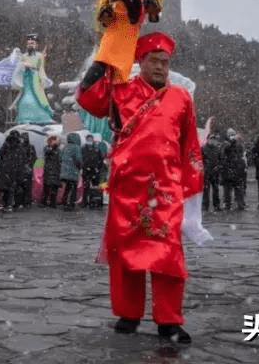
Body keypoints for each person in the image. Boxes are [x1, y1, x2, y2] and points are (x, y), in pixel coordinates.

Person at [76, 31, 202, 342]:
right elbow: (88, 98)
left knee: (168, 257)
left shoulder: (181, 97)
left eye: (166, 62)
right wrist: (105, 56)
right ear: (140, 62)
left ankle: (169, 320)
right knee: (125, 255)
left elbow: (190, 146)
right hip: (127, 187)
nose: (161, 66)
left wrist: (192, 189)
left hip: (167, 189)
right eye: (155, 61)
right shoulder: (121, 92)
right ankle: (128, 314)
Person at [10, 35, 55, 123]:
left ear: (36, 45)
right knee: (25, 100)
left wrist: (44, 79)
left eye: (32, 43)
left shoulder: (39, 56)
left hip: (35, 79)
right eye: (29, 44)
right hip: (26, 80)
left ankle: (40, 117)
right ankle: (26, 118)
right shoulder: (23, 56)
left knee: (38, 99)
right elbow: (19, 68)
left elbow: (41, 69)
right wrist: (23, 65)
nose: (30, 45)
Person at [221, 129, 247, 211]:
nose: (232, 136)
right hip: (227, 170)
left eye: (233, 134)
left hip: (237, 170)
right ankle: (227, 205)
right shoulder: (224, 144)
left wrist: (242, 168)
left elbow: (242, 157)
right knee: (227, 191)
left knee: (239, 190)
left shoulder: (239, 145)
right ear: (227, 135)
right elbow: (222, 155)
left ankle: (240, 204)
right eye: (230, 134)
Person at [59, 132, 83, 211]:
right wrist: (80, 167)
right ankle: (70, 204)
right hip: (72, 172)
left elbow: (60, 157)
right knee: (73, 188)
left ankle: (64, 201)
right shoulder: (76, 147)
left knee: (67, 187)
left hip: (64, 172)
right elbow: (78, 160)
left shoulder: (65, 147)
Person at [201, 130, 223, 212]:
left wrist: (219, 166)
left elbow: (221, 159)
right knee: (206, 190)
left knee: (216, 190)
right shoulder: (204, 148)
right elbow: (200, 160)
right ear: (208, 139)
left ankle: (216, 205)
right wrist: (204, 168)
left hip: (215, 172)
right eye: (211, 139)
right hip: (206, 172)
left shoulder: (217, 148)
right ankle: (205, 206)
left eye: (214, 139)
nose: (213, 140)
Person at [81, 134, 104, 208]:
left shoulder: (97, 148)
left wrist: (97, 168)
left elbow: (101, 159)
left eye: (91, 139)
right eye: (88, 139)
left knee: (95, 186)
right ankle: (85, 202)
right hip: (86, 170)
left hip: (95, 170)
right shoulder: (83, 149)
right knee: (86, 186)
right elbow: (81, 159)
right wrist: (85, 167)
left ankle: (93, 201)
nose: (90, 140)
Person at [40, 135, 62, 208]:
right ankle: (45, 201)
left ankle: (52, 202)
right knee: (47, 187)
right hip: (49, 171)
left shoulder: (58, 150)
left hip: (55, 171)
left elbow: (59, 159)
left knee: (53, 188)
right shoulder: (47, 149)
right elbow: (47, 153)